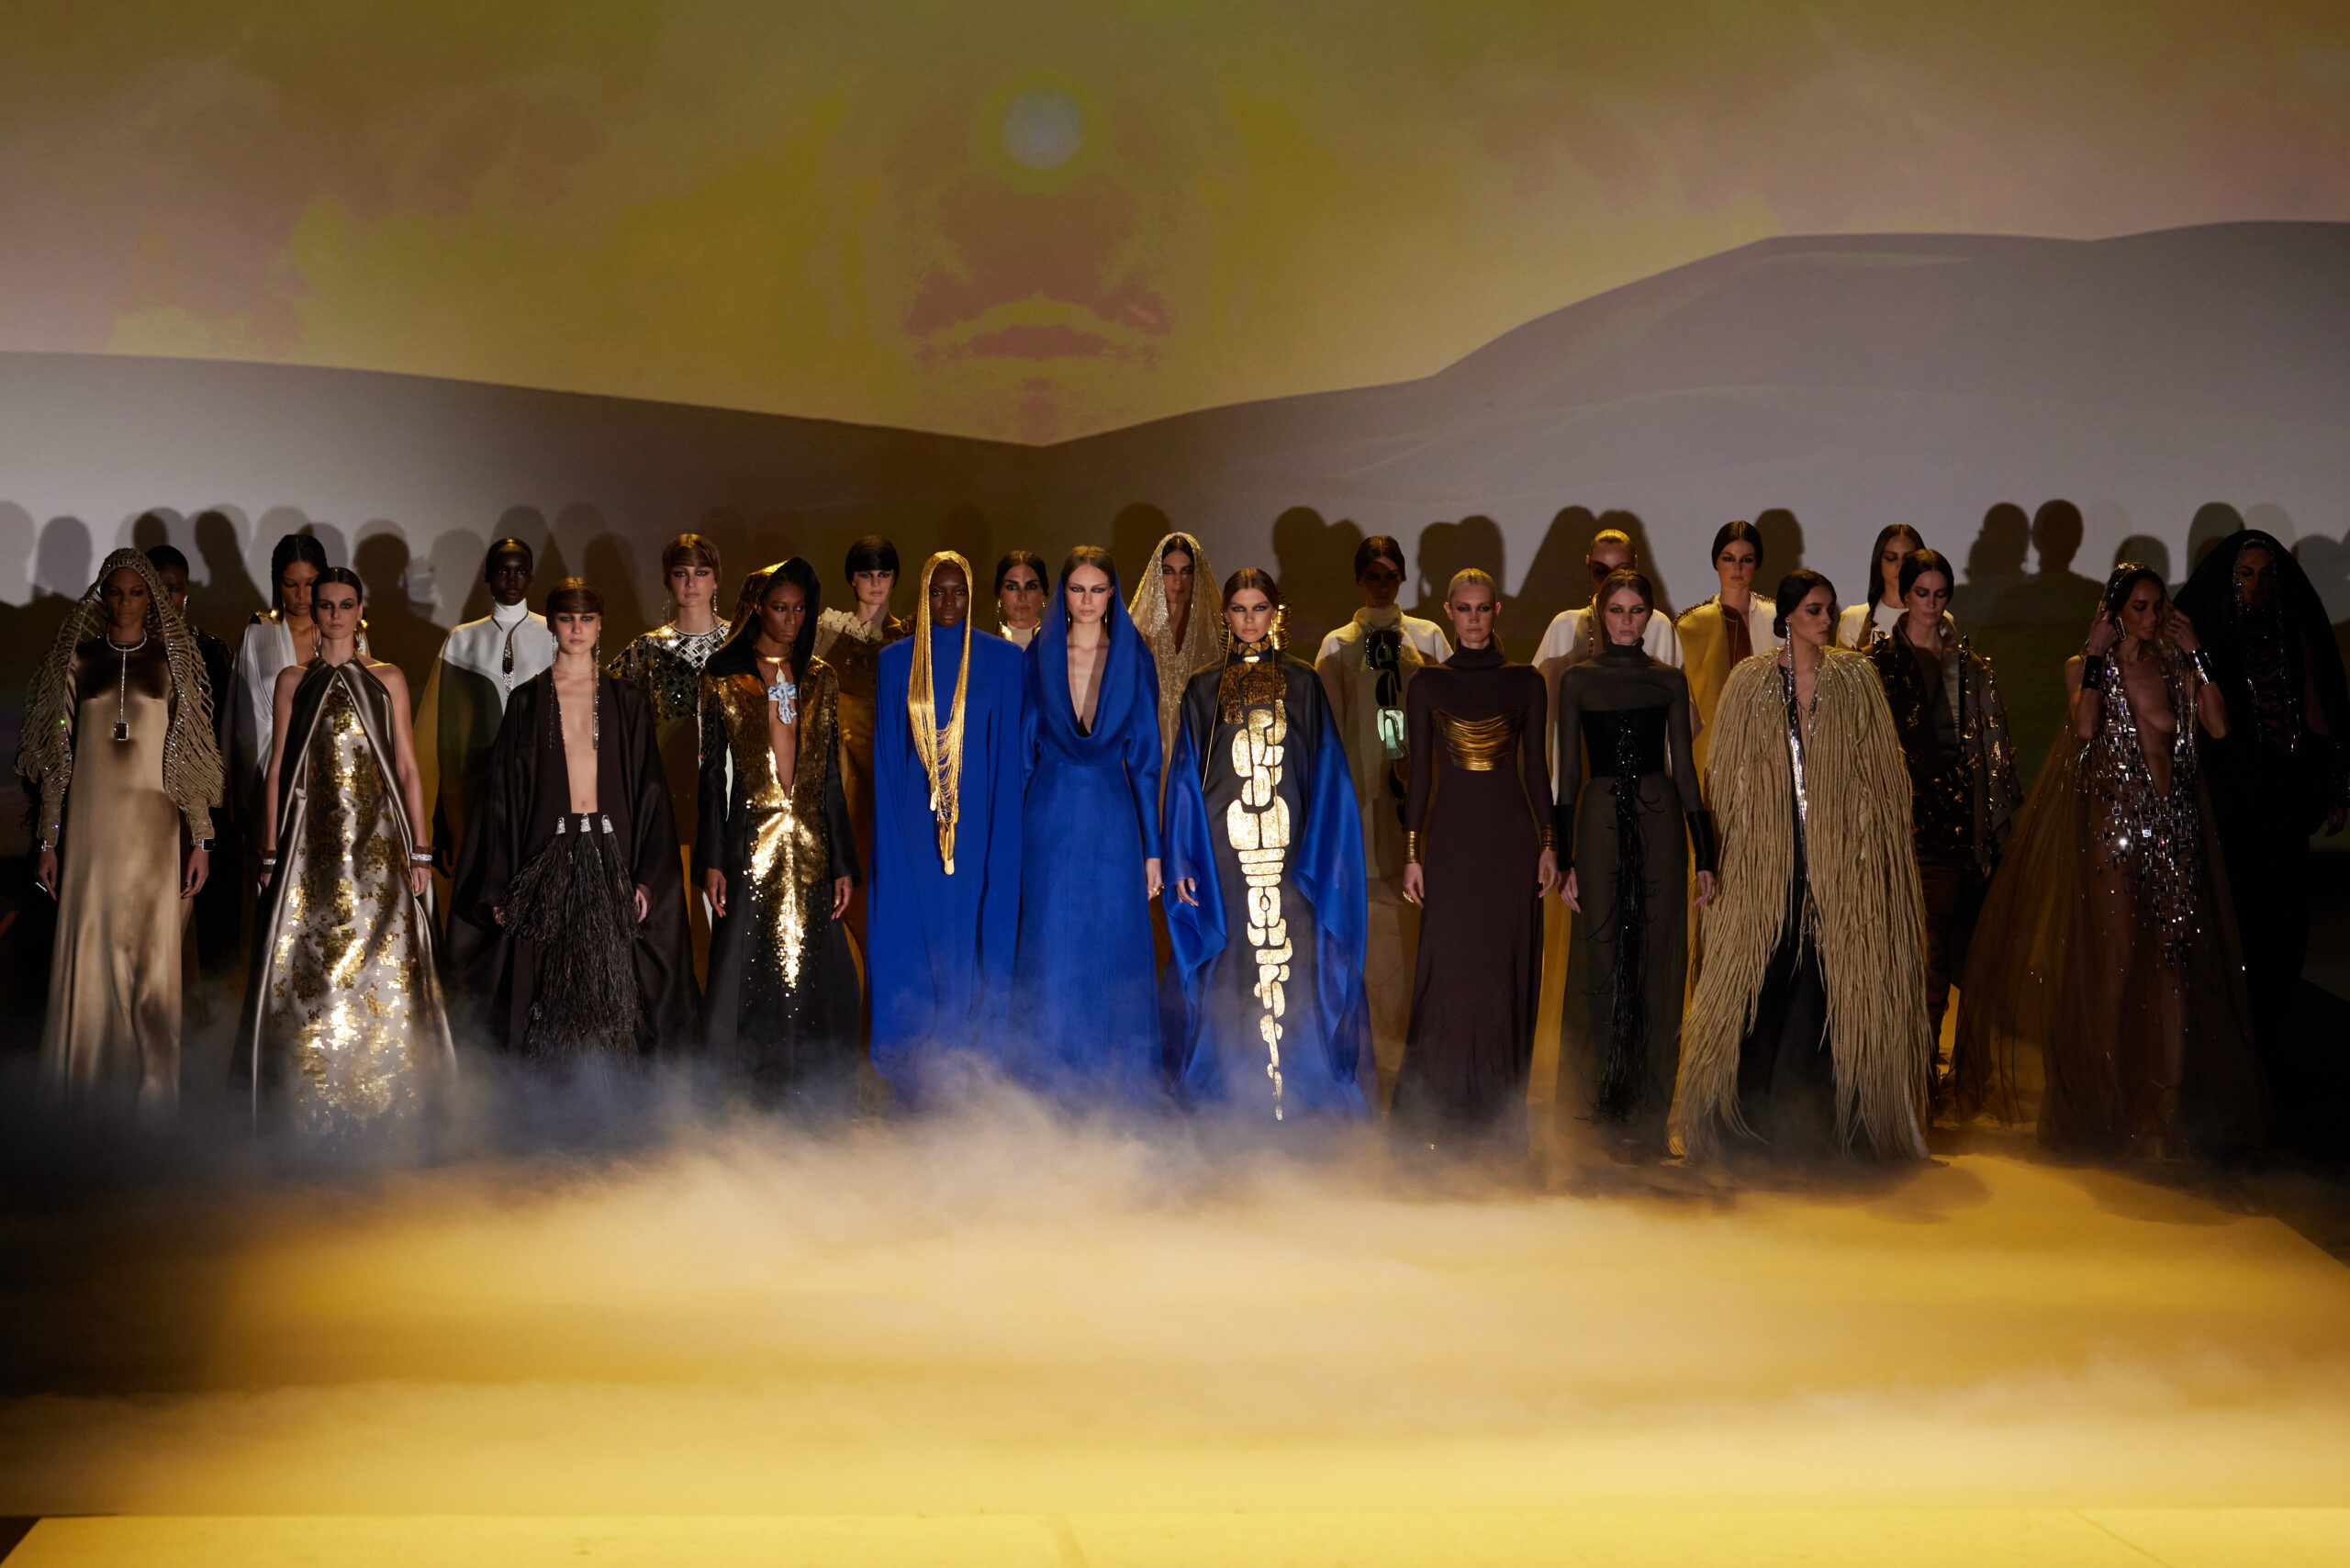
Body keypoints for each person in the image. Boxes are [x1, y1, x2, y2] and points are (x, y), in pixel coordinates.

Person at [1954, 566, 2266, 1159]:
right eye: (2139, 607)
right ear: (2116, 611)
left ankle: (2169, 1104)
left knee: (2173, 965)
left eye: (2157, 607)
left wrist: (2198, 656)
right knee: (2117, 964)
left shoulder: (2174, 669)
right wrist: (2097, 657)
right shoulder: (2085, 667)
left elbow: (2219, 726)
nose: (2150, 618)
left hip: (2173, 830)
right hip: (2114, 832)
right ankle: (2107, 1096)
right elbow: (2084, 725)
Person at [1676, 569, 1931, 1162]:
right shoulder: (1750, 681)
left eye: (1829, 609)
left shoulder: (1856, 678)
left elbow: (1882, 774)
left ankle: (1829, 1127)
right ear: (1787, 616)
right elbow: (1729, 776)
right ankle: (1742, 1123)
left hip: (1842, 861)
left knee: (1834, 983)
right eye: (1814, 610)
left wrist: (1865, 843)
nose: (1826, 619)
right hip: (1770, 861)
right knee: (1761, 981)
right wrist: (1740, 856)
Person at [240, 567, 453, 1133]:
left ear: (361, 610)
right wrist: (269, 853)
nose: (335, 615)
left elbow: (406, 767)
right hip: (309, 850)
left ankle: (390, 1104)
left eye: (345, 604)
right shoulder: (293, 680)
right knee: (308, 968)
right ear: (313, 609)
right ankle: (308, 1105)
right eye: (326, 604)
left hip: (378, 847)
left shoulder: (387, 678)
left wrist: (421, 850)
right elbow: (277, 770)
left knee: (384, 969)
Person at [450, 578, 697, 1058]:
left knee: (613, 988)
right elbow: (500, 801)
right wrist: (498, 883)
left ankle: (608, 1090)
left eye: (586, 619)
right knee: (546, 986)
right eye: (566, 619)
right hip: (546, 862)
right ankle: (549, 1091)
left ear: (600, 624)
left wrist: (647, 879)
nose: (577, 629)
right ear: (553, 624)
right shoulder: (526, 701)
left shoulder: (626, 700)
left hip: (611, 860)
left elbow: (650, 794)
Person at [1162, 569, 1371, 1120]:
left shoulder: (1303, 682)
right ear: (1225, 614)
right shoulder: (1203, 686)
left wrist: (1328, 854)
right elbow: (1184, 776)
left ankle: (1297, 1086)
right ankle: (1229, 1087)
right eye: (1239, 608)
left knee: (1296, 961)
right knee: (1230, 961)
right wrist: (1181, 854)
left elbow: (1327, 772)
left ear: (1276, 612)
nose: (1249, 619)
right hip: (1222, 852)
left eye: (1259, 608)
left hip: (1290, 853)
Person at [20, 549, 221, 1112]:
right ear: (102, 597)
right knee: (90, 938)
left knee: (152, 952)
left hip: (155, 825)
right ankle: (84, 1086)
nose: (126, 602)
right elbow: (57, 758)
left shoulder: (173, 663)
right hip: (91, 827)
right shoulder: (78, 660)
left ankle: (152, 1097)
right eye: (115, 592)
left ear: (150, 597)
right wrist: (48, 841)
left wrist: (202, 840)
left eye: (136, 592)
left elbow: (191, 760)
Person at [2175, 529, 2350, 1109]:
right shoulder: (2210, 629)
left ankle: (2267, 1052)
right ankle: (2229, 1054)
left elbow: (2317, 705)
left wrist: (2334, 782)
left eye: (2265, 574)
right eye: (2245, 574)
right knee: (2237, 920)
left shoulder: (2290, 627)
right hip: (2231, 801)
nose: (2255, 585)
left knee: (2284, 921)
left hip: (2283, 796)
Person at [1551, 569, 1717, 1163]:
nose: (1626, 620)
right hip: (1598, 823)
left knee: (1654, 960)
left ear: (1650, 616)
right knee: (1602, 959)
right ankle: (1599, 1111)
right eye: (1616, 610)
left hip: (1659, 823)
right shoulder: (1577, 681)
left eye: (1636, 610)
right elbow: (1568, 775)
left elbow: (1685, 774)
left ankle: (1648, 1116)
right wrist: (1565, 857)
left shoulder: (1668, 680)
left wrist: (1706, 855)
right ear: (1601, 614)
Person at [1393, 568, 1556, 1147]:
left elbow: (1536, 771)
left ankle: (1496, 1117)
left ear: (1496, 611)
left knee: (1501, 974)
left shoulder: (1526, 681)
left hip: (1510, 845)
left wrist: (1548, 845)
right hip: (1452, 845)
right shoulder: (1426, 683)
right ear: (1447, 612)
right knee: (1450, 976)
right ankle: (1438, 1115)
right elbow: (1418, 775)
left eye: (1483, 608)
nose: (1473, 619)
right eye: (1463, 609)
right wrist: (1412, 854)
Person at [697, 558, 860, 1104]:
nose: (791, 619)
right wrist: (712, 859)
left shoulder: (820, 678)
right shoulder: (723, 679)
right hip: (749, 842)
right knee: (747, 962)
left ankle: (815, 1085)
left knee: (815, 962)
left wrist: (843, 862)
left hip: (812, 842)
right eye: (779, 608)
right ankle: (744, 1087)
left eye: (799, 608)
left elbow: (831, 777)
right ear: (756, 610)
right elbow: (710, 778)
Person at [867, 552, 1027, 1103]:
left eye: (959, 592)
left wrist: (1004, 836)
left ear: (973, 595)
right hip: (916, 825)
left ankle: (972, 1062)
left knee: (973, 930)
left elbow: (1007, 758)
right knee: (920, 929)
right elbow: (888, 757)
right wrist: (890, 839)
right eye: (938, 592)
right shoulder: (896, 661)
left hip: (978, 825)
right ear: (923, 595)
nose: (949, 602)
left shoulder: (1002, 660)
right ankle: (920, 1063)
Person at [1007, 547, 1165, 1099]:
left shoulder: (1134, 656)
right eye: (1078, 589)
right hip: (1048, 815)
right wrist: (1009, 836)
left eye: (1098, 590)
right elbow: (1022, 753)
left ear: (1113, 593)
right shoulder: (1040, 655)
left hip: (1113, 818)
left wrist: (1152, 850)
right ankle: (1045, 1085)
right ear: (1063, 594)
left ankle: (1117, 1085)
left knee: (1113, 942)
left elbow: (1147, 760)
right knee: (1049, 941)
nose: (1088, 600)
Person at [1865, 549, 2020, 1061]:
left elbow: (1991, 754)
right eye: (1921, 593)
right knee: (1889, 949)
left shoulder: (1970, 668)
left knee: (1934, 948)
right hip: (1890, 825)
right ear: (1904, 595)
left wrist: (1984, 834)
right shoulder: (1876, 667)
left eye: (1940, 594)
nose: (1931, 604)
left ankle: (1921, 1067)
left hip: (1950, 826)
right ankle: (1891, 1068)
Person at [1315, 535, 1450, 1103]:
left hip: (1418, 792)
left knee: (1416, 923)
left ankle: (1420, 1059)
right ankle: (1373, 1064)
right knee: (1373, 933)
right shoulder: (1338, 644)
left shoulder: (1427, 636)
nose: (1381, 584)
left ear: (1403, 576)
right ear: (1358, 579)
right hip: (1361, 798)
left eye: (1390, 574)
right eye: (1372, 574)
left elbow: (1444, 714)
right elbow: (1328, 730)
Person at [608, 532, 733, 985]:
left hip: (730, 794)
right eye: (681, 573)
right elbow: (614, 721)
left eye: (701, 572)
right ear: (667, 580)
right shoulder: (645, 651)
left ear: (716, 579)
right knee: (673, 907)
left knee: (727, 908)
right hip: (668, 795)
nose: (691, 583)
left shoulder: (740, 645)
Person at [415, 538, 557, 874]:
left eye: (520, 571)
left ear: (531, 576)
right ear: (488, 577)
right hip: (477, 788)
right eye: (502, 571)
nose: (512, 579)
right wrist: (443, 817)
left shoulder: (554, 635)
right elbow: (446, 734)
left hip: (541, 782)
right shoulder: (462, 639)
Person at [812, 535, 912, 994]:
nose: (875, 583)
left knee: (891, 882)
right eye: (866, 574)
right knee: (846, 875)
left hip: (895, 773)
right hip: (842, 774)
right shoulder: (827, 633)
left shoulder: (909, 635)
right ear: (852, 579)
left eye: (883, 573)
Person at [147, 544, 241, 979]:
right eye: (159, 588)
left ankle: (203, 1003)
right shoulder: (119, 653)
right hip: (141, 795)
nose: (168, 598)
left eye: (177, 588)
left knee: (204, 909)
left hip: (200, 798)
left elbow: (227, 731)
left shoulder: (212, 652)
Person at [228, 532, 329, 823]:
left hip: (333, 775)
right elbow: (245, 722)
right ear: (277, 583)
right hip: (270, 777)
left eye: (310, 583)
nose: (301, 595)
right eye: (290, 584)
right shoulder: (259, 634)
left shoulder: (348, 634)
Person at [1673, 521, 1780, 784]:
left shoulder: (1778, 620)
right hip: (1712, 750)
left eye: (1746, 560)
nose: (1737, 568)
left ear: (1757, 563)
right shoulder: (1691, 626)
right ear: (1716, 562)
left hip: (1769, 747)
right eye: (1729, 559)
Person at [1127, 530, 1224, 781]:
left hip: (1199, 746)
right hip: (1148, 745)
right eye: (1168, 571)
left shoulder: (1214, 632)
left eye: (1186, 571)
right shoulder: (1138, 632)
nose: (1177, 581)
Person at [1836, 524, 1930, 649]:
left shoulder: (1939, 619)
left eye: (1908, 559)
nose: (1900, 566)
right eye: (1891, 558)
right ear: (1879, 561)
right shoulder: (1853, 619)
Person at [994, 551, 1047, 650]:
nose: (1022, 597)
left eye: (1031, 586)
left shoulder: (1062, 645)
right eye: (1012, 587)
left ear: (1043, 594)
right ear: (1000, 595)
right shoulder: (982, 646)